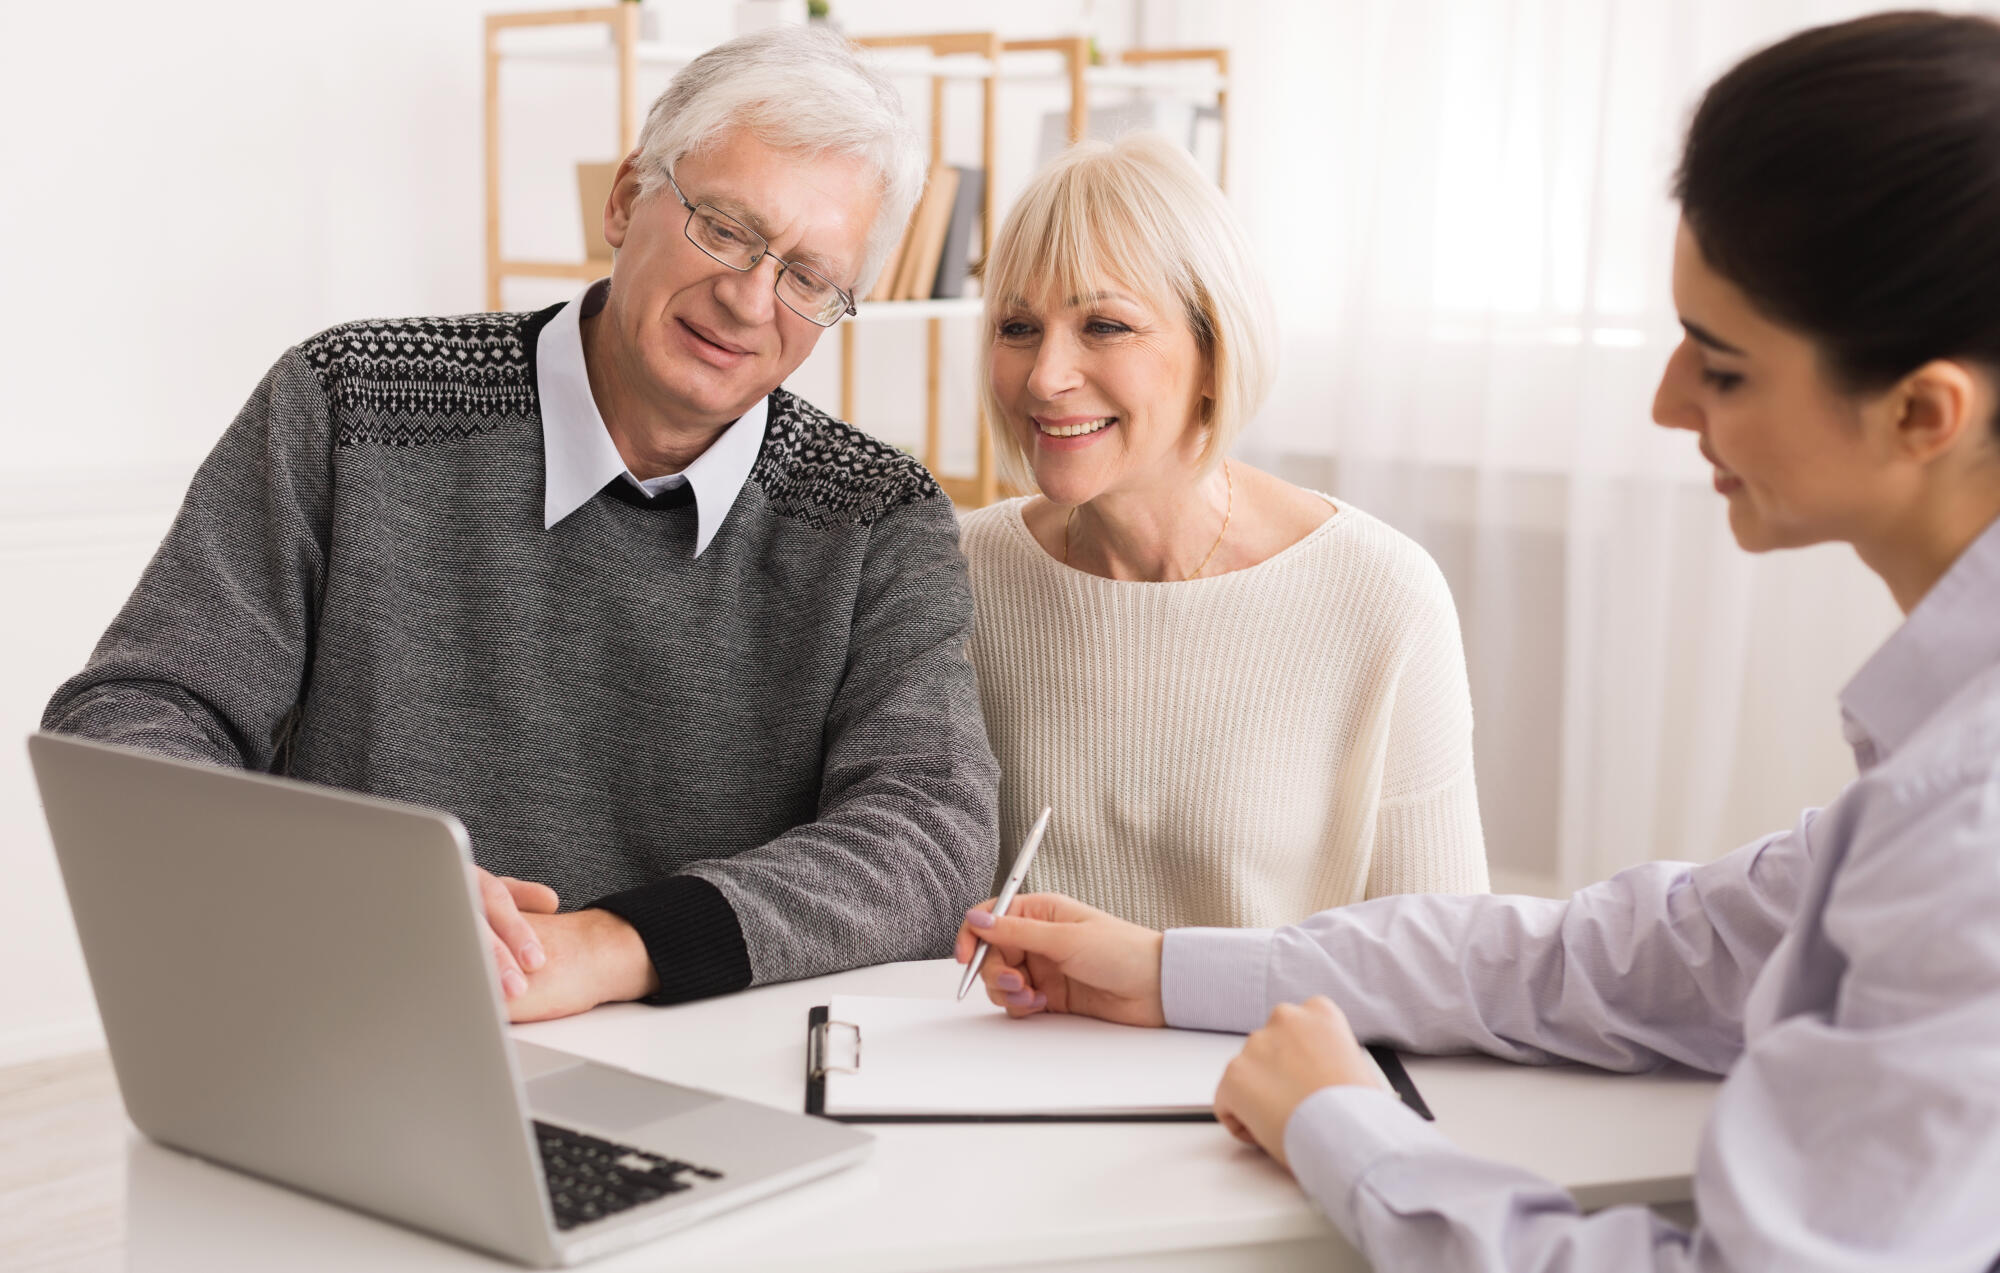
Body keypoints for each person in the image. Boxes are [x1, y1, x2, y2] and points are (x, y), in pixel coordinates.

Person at [954, 11, 2000, 1268]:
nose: (1664, 401)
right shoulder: (1936, 773)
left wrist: (1342, 1128)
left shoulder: (1968, 826)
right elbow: (1633, 957)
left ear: (1922, 413)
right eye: (1016, 326)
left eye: (1718, 366)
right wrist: (1167, 970)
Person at [43, 25, 999, 1023]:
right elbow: (129, 718)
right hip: (359, 1024)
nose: (749, 298)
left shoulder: (878, 514)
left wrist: (613, 944)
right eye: (723, 226)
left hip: (709, 1075)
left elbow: (927, 837)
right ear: (626, 197)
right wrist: (359, 889)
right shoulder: (347, 401)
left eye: (807, 276)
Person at [959, 133, 1488, 932]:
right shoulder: (963, 570)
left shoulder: (1382, 595)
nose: (1045, 376)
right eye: (1017, 327)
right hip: (1002, 1051)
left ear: (1214, 351)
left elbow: (1447, 958)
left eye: (1104, 325)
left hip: (1258, 1056)